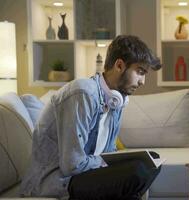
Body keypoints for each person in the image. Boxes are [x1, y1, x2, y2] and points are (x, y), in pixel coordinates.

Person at [20, 35, 162, 200]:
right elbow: (72, 165)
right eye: (140, 72)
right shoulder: (83, 93)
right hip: (59, 180)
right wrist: (106, 162)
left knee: (152, 161)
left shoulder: (117, 99)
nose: (142, 81)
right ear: (119, 65)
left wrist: (114, 160)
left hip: (85, 173)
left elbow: (108, 152)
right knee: (137, 171)